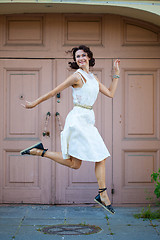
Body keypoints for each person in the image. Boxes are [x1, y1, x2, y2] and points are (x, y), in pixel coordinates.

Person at [21, 45, 120, 214]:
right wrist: (34, 103)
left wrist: (116, 73)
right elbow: (54, 92)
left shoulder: (93, 78)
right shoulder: (76, 76)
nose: (80, 58)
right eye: (77, 56)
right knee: (101, 156)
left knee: (75, 164)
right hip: (78, 120)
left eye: (82, 55)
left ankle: (39, 152)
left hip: (87, 119)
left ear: (89, 57)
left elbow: (110, 93)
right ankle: (103, 195)